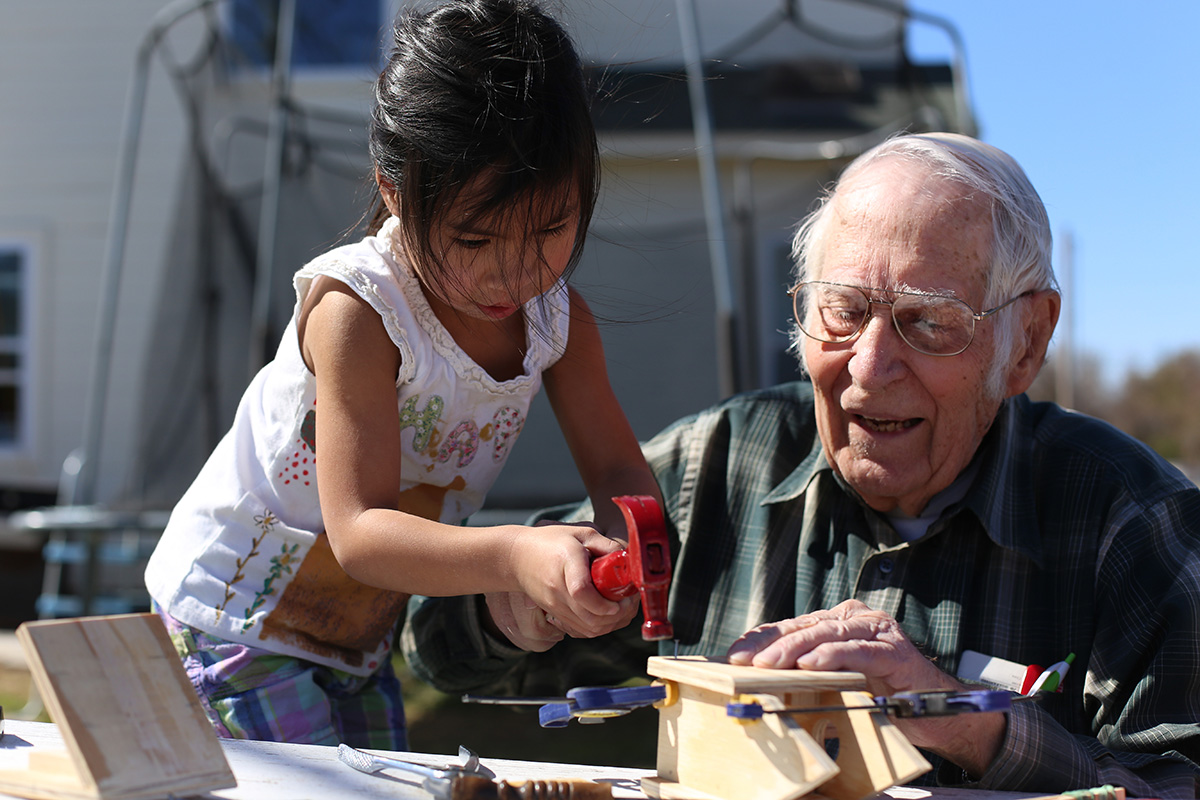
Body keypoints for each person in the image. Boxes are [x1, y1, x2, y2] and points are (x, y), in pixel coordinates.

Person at [402, 132, 1200, 798]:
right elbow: (436, 648)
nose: (868, 367)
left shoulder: (1130, 526)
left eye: (928, 323)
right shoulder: (712, 467)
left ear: (1025, 342)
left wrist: (968, 722)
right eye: (845, 311)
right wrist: (522, 604)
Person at [144, 0, 660, 750]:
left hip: (356, 634)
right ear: (393, 189)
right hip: (233, 620)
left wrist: (629, 550)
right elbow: (359, 531)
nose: (514, 271)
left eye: (552, 227)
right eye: (475, 236)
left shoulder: (558, 321)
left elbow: (616, 467)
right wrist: (517, 556)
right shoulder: (360, 310)